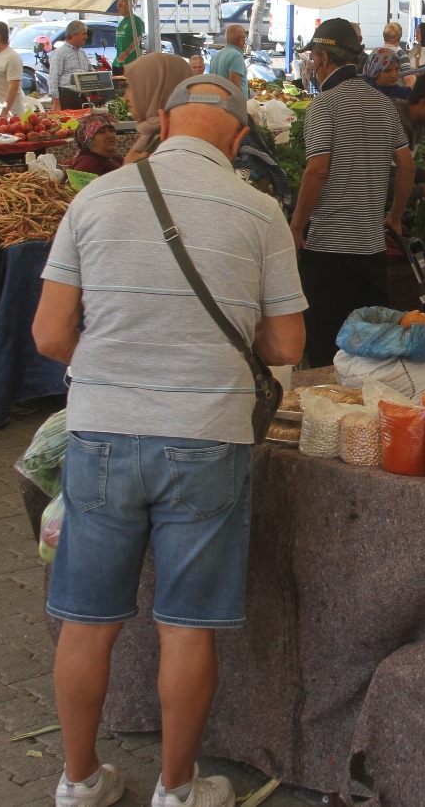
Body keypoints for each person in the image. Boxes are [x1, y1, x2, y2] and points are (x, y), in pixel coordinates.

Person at [33, 73, 305, 807]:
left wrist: (122, 359)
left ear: (158, 124)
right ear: (241, 140)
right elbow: (286, 341)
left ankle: (79, 780)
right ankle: (178, 791)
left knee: (86, 619)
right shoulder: (257, 210)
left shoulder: (96, 197)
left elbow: (50, 334)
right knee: (187, 627)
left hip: (101, 435)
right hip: (205, 438)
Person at [288, 18, 413, 368]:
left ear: (324, 58)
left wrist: (297, 227)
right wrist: (395, 217)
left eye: (313, 58)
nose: (312, 65)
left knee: (329, 353)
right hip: (371, 250)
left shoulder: (323, 106)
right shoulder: (383, 104)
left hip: (329, 250)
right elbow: (406, 166)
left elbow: (317, 170)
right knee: (372, 351)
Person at [124, 51, 194, 158]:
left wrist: (132, 171)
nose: (126, 98)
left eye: (131, 87)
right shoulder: (156, 136)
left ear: (155, 90)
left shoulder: (170, 147)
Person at [49, 20, 94, 109]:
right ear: (74, 35)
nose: (86, 37)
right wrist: (56, 103)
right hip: (67, 96)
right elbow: (53, 79)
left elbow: (90, 71)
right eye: (84, 34)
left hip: (82, 97)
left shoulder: (82, 53)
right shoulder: (60, 53)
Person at [208, 24, 249, 99]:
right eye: (244, 38)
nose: (245, 41)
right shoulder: (236, 56)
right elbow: (234, 86)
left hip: (219, 102)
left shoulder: (216, 56)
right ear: (240, 40)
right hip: (231, 105)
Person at [113, 0, 144, 75]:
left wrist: (126, 52)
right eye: (117, 6)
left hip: (131, 63)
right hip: (119, 63)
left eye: (120, 5)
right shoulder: (122, 22)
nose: (118, 8)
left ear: (128, 5)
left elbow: (137, 39)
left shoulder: (135, 20)